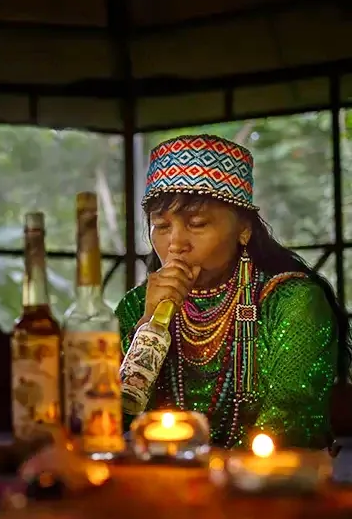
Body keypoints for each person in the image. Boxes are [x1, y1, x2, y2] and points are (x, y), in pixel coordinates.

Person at [116, 134, 351, 449]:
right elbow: (110, 418)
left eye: (197, 223)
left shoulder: (293, 302)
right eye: (161, 226)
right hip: (162, 482)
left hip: (263, 488)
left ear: (244, 229)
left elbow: (289, 428)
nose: (175, 243)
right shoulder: (135, 306)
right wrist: (149, 327)